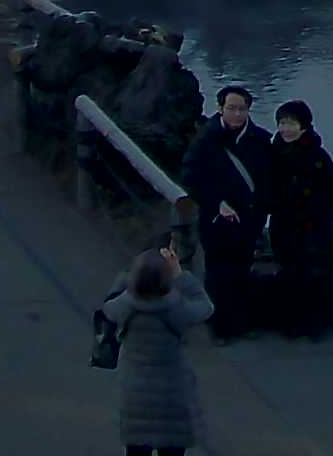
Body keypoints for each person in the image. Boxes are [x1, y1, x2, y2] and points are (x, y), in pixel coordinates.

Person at [177, 85, 271, 336]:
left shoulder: (260, 140)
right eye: (231, 108)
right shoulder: (206, 140)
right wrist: (216, 202)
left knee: (242, 270)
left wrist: (261, 211)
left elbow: (268, 179)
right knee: (218, 272)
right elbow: (190, 175)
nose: (237, 114)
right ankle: (219, 325)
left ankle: (241, 322)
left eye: (242, 109)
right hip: (217, 218)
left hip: (249, 218)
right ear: (220, 109)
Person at [99, 245, 210, 455]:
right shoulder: (177, 308)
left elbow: (108, 305)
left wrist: (128, 275)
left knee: (137, 450)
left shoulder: (125, 306)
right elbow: (205, 306)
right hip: (172, 398)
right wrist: (180, 274)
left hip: (136, 397)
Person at [255, 98, 333, 339]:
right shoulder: (272, 154)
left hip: (315, 226)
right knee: (289, 272)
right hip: (284, 224)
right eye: (282, 123)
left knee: (316, 274)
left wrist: (324, 210)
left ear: (304, 125)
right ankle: (291, 323)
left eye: (291, 123)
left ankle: (314, 323)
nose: (286, 129)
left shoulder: (317, 155)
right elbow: (262, 188)